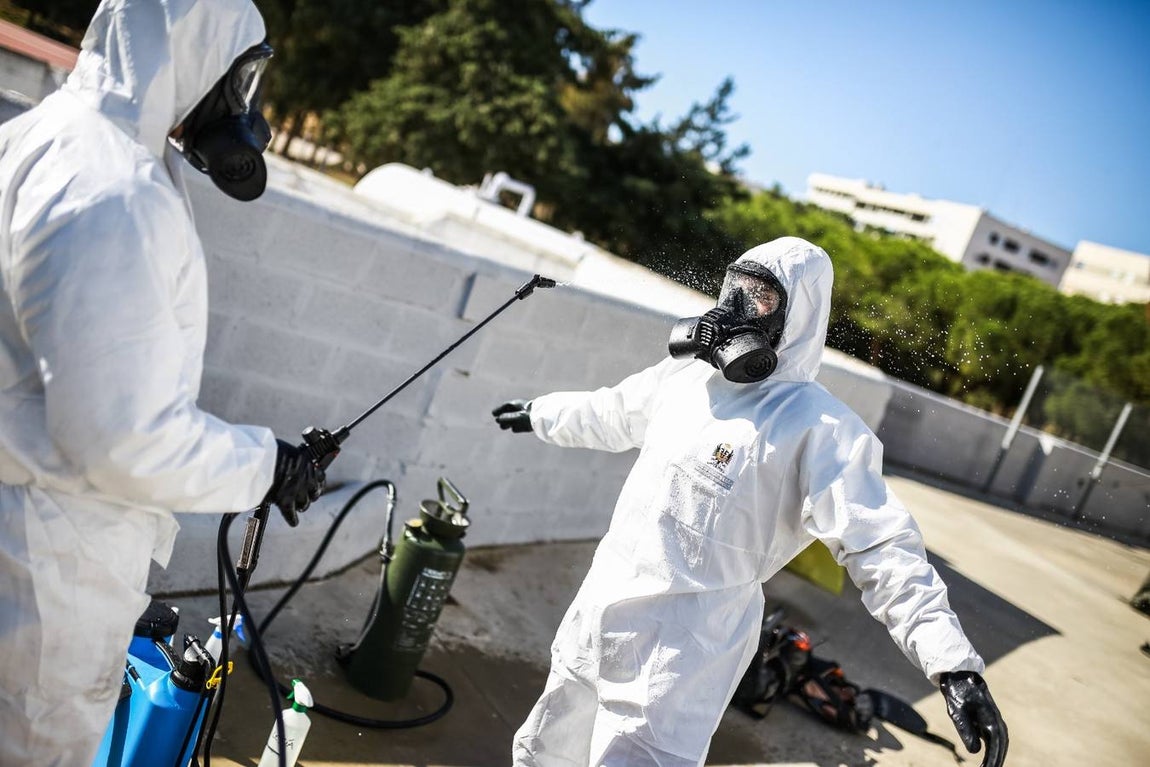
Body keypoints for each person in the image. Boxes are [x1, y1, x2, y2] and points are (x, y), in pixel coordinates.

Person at [493, 236, 1008, 767]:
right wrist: (540, 413)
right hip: (595, 620)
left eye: (762, 297)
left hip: (676, 665)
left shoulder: (820, 429)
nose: (739, 305)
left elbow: (882, 547)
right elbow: (613, 412)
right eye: (737, 286)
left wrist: (953, 666)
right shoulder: (688, 377)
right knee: (543, 752)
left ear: (798, 318)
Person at [0, 1, 325, 764]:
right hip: (51, 574)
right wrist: (264, 465)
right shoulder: (116, 191)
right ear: (193, 42)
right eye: (240, 78)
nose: (242, 107)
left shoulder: (38, 138)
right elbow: (120, 441)